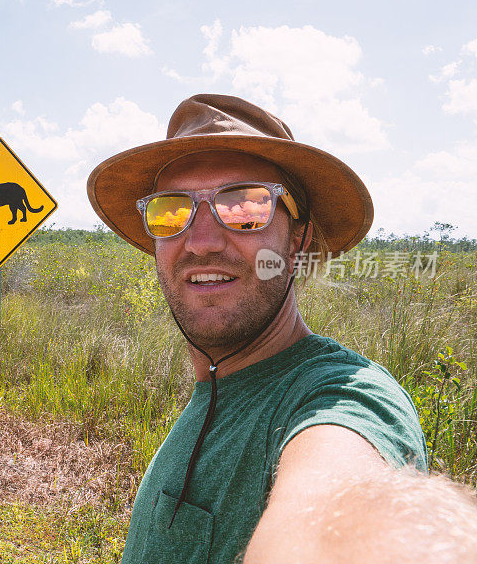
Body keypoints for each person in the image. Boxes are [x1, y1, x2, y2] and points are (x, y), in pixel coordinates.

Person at [86, 94, 467, 563]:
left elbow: (342, 514)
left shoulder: (336, 397)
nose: (201, 242)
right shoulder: (217, 386)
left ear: (297, 240)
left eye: (246, 206)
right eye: (171, 210)